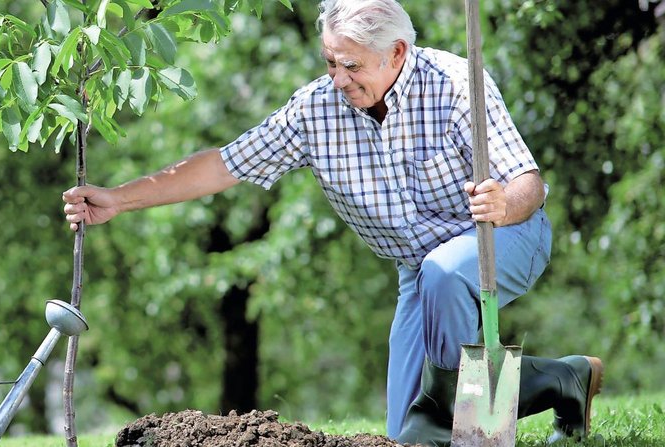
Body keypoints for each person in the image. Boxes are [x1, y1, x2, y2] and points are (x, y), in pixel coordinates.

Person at [61, 1, 601, 445]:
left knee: (450, 403)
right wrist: (118, 199)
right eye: (330, 63)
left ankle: (480, 437)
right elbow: (223, 164)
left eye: (352, 66)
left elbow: (528, 181)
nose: (339, 79)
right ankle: (563, 378)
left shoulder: (458, 83)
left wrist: (505, 204)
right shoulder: (315, 111)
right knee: (405, 436)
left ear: (396, 54)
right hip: (419, 272)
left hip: (503, 236)